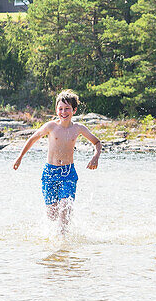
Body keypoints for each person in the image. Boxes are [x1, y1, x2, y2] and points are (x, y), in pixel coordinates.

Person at [13, 89, 102, 233]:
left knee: (65, 209)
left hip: (68, 173)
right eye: (60, 108)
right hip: (50, 173)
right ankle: (54, 244)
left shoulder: (78, 128)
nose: (63, 112)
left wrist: (95, 157)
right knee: (52, 215)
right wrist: (20, 157)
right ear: (56, 110)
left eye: (67, 108)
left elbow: (97, 142)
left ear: (74, 110)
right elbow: (32, 139)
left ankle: (63, 245)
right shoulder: (51, 126)